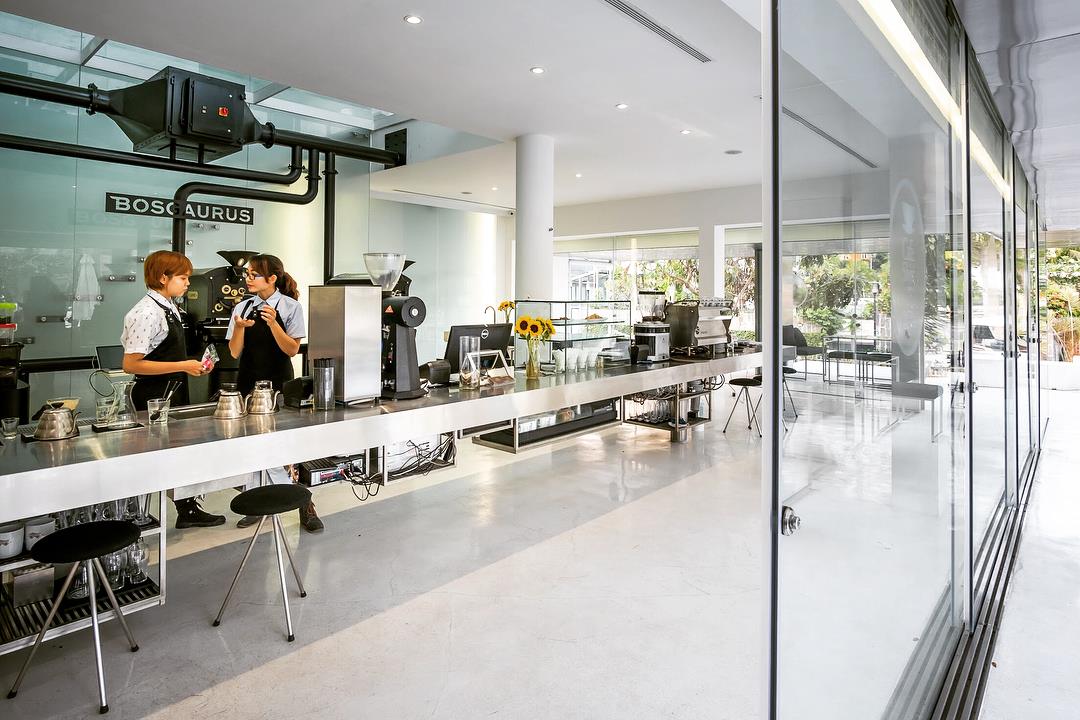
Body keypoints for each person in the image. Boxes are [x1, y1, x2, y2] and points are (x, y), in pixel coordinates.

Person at [121, 250, 226, 529]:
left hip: (172, 391)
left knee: (179, 453)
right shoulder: (145, 313)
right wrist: (183, 365)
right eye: (183, 278)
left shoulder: (169, 308)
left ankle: (187, 509)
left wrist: (194, 366)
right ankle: (134, 516)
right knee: (149, 459)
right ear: (162, 278)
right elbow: (131, 364)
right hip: (152, 396)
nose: (188, 283)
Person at [227, 254, 323, 532]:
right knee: (253, 445)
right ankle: (259, 502)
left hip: (280, 385)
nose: (248, 279)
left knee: (288, 446)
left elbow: (292, 349)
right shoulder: (243, 307)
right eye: (247, 274)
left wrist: (273, 324)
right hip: (248, 383)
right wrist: (240, 328)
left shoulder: (291, 307)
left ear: (272, 279)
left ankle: (305, 504)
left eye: (253, 274)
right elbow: (234, 351)